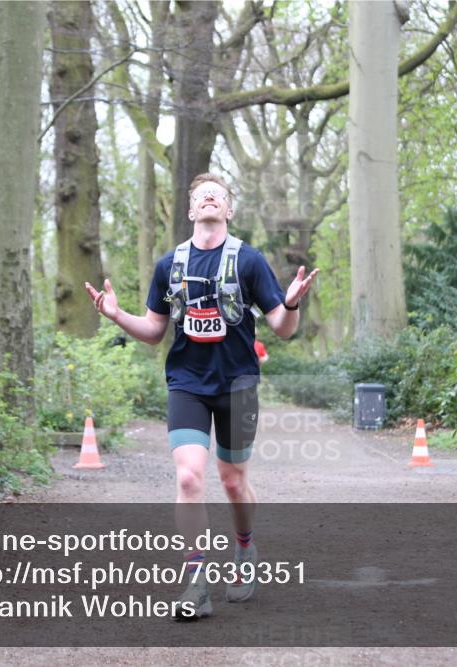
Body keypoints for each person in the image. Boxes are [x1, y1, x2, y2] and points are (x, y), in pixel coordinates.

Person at [84, 173, 317, 620]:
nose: (209, 198)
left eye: (219, 195)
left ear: (228, 210)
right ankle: (196, 582)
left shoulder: (249, 261)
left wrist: (290, 305)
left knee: (232, 481)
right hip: (187, 383)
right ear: (190, 211)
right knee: (189, 477)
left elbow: (282, 331)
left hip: (238, 384)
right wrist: (117, 316)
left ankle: (245, 548)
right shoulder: (167, 266)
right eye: (200, 196)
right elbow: (154, 332)